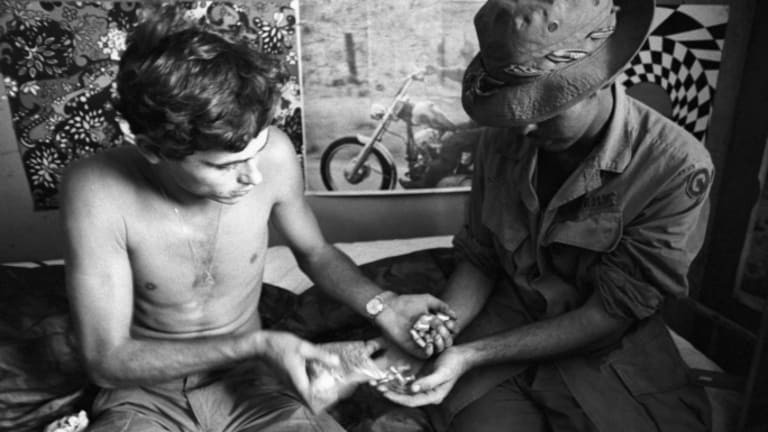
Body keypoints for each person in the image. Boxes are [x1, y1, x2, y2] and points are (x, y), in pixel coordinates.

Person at [60, 5, 453, 431]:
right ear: (151, 148)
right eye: (225, 166)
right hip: (145, 393)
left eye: (257, 150)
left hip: (251, 382)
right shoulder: (95, 188)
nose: (254, 176)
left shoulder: (275, 154)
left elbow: (315, 253)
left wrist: (385, 306)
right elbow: (106, 361)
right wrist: (259, 344)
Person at [380, 0, 715, 431]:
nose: (523, 128)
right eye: (513, 109)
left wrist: (472, 354)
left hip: (604, 351)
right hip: (500, 322)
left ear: (599, 81)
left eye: (543, 109)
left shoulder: (676, 167)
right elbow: (481, 257)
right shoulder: (501, 138)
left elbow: (609, 314)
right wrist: (442, 333)